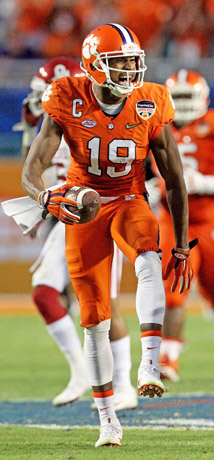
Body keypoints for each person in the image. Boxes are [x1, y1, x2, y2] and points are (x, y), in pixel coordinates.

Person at [22, 23, 194, 448]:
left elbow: (174, 178)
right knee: (94, 319)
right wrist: (45, 196)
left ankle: (149, 365)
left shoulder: (150, 100)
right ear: (94, 67)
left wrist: (181, 244)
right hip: (84, 208)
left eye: (133, 65)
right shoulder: (66, 97)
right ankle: (107, 420)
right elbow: (32, 168)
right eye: (119, 65)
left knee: (150, 257)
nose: (129, 74)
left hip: (129, 199)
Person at [20, 56, 137, 410]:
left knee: (104, 305)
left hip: (97, 213)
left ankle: (124, 384)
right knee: (52, 295)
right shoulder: (53, 120)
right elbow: (34, 163)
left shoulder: (101, 119)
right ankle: (85, 372)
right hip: (64, 214)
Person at [157, 69, 214, 382]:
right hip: (173, 221)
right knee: (174, 290)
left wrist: (204, 182)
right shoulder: (157, 126)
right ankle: (169, 358)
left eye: (186, 97)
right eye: (176, 97)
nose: (181, 103)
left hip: (209, 220)